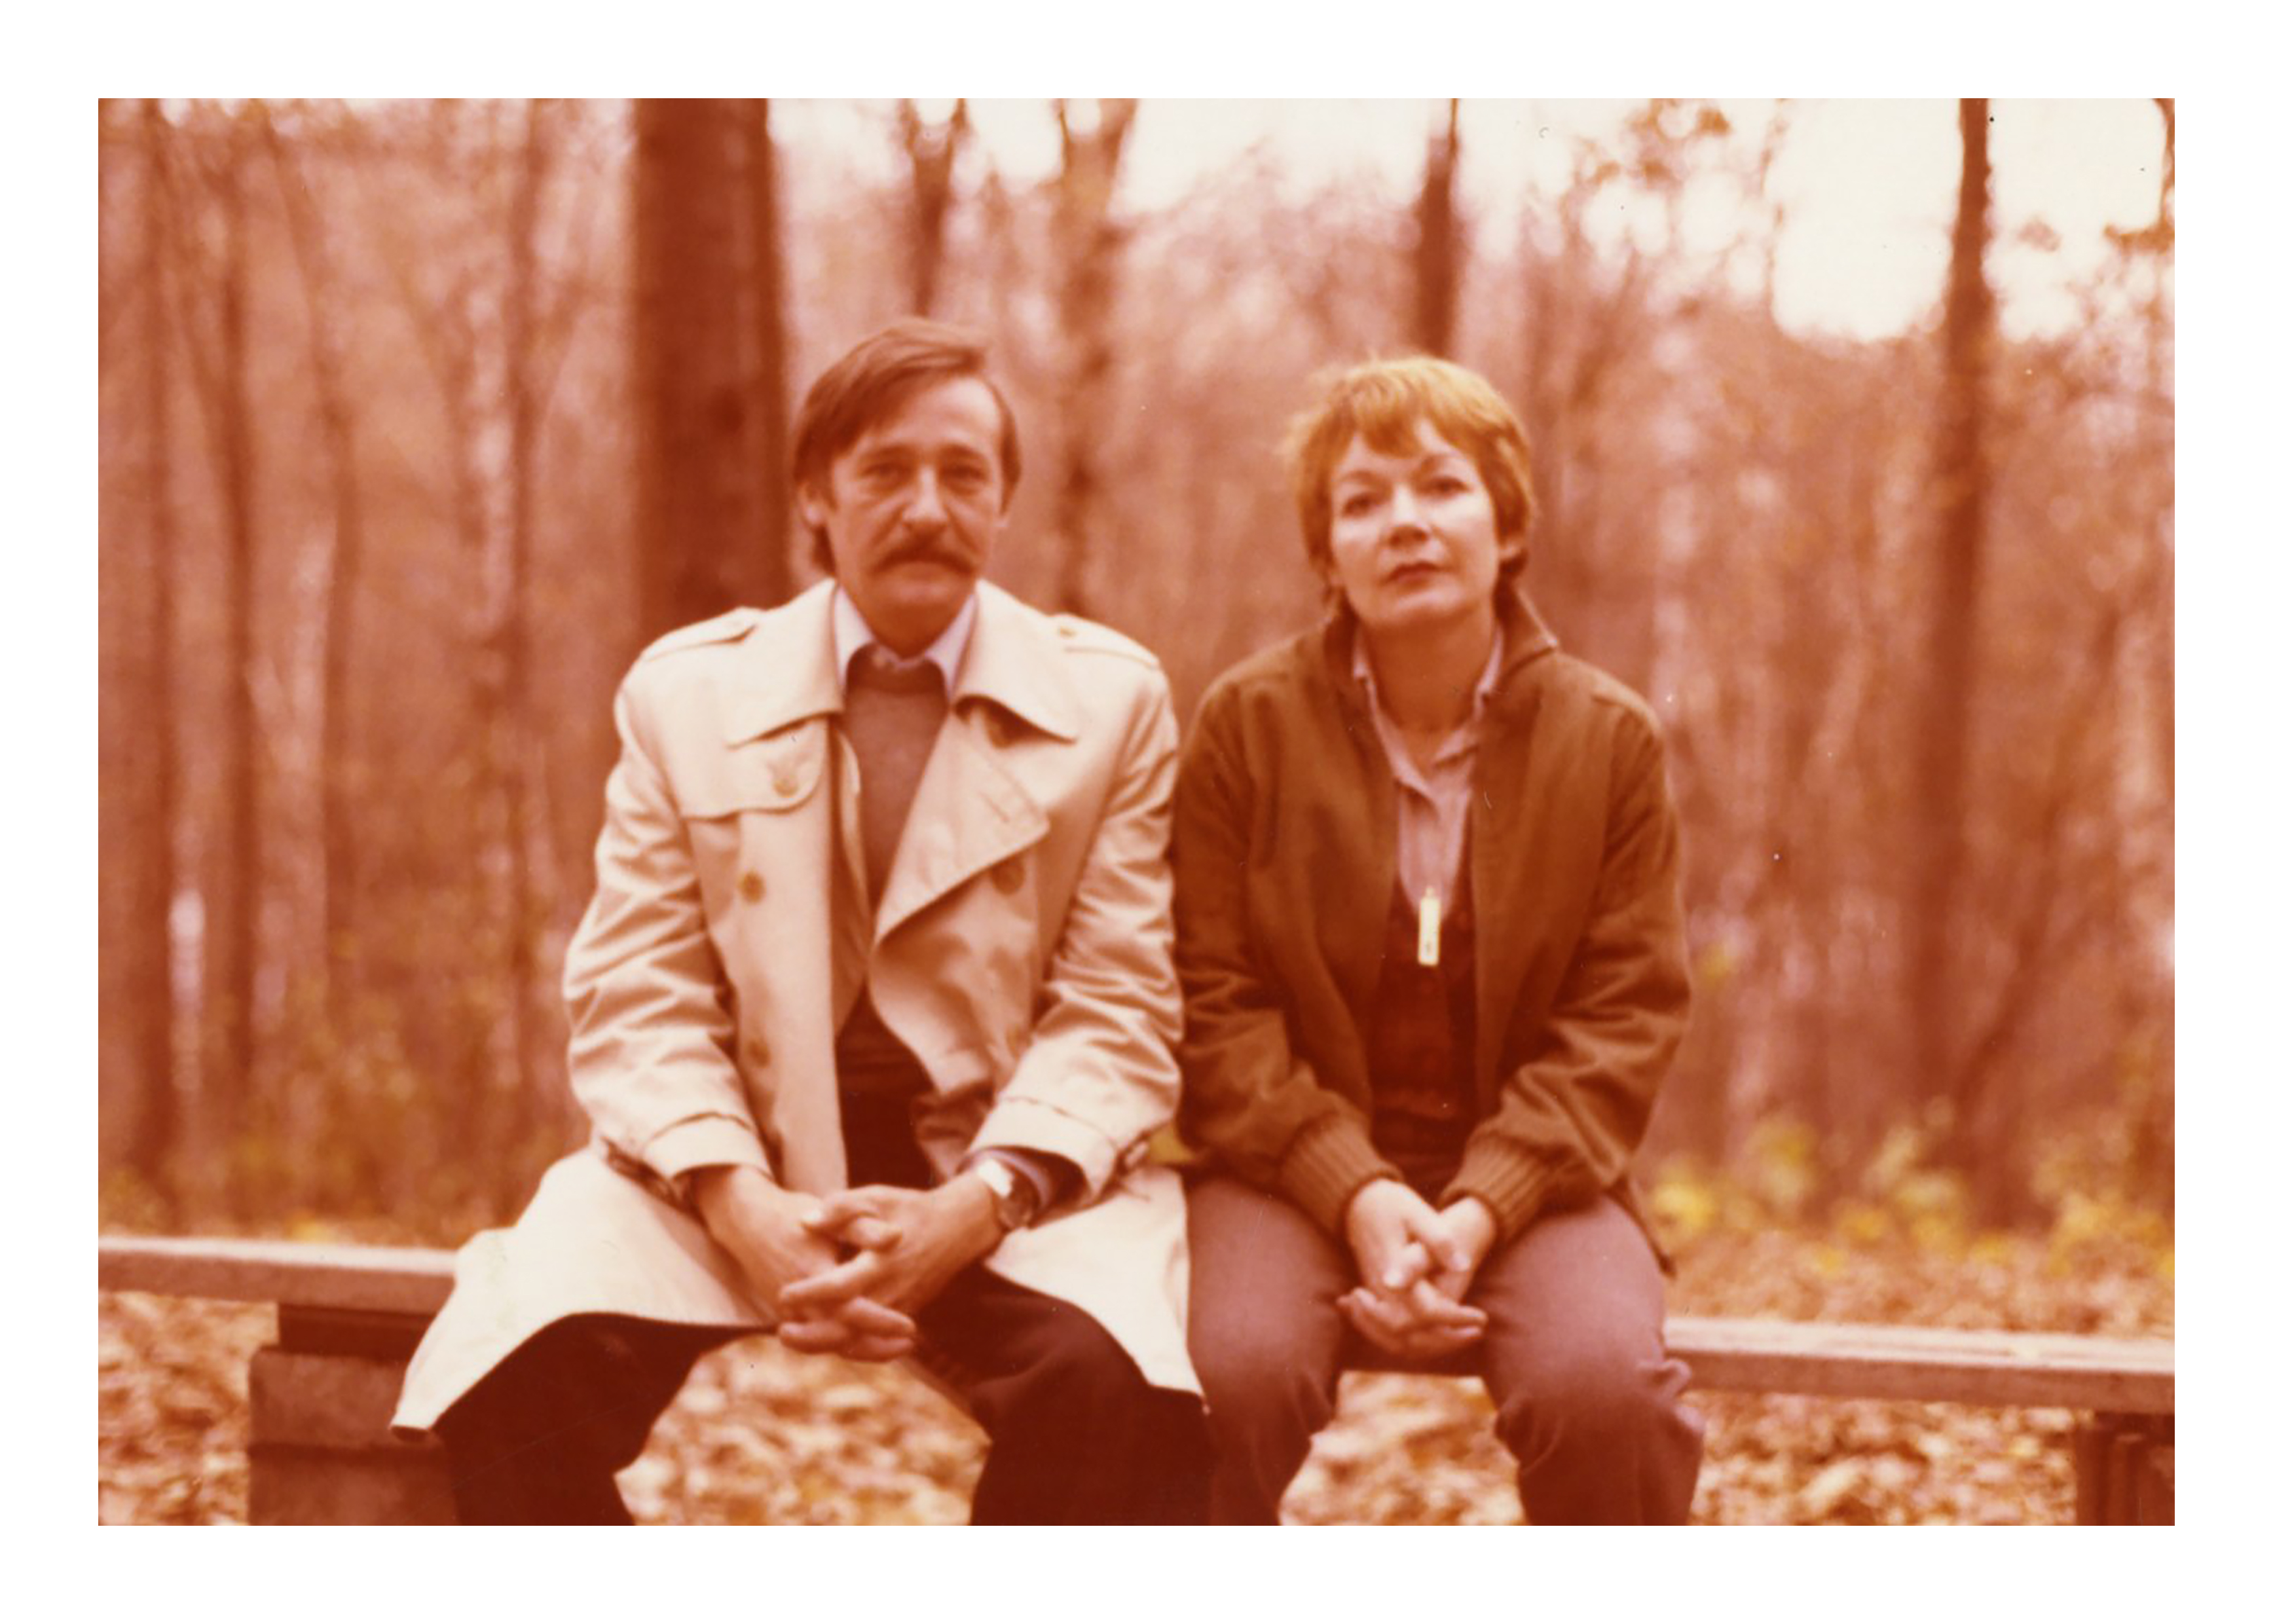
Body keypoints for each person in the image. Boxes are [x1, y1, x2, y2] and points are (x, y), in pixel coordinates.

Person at [392, 319, 1210, 1524]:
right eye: (885, 472)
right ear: (814, 498)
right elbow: (638, 991)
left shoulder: (1110, 702)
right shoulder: (688, 694)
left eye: (963, 474)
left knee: (1117, 1400)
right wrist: (740, 1204)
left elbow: (1119, 1006)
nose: (926, 508)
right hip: (729, 1162)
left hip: (996, 1172)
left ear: (1004, 502)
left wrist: (975, 1205)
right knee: (509, 1373)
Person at [1171, 355, 1705, 1524]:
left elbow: (1623, 1021)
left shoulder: (1608, 741)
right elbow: (1212, 1002)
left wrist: (1482, 1206)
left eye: (1442, 487)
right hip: (1284, 1172)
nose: (1405, 523)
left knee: (1605, 1395)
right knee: (1220, 1379)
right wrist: (1354, 1190)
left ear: (1506, 529)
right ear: (1328, 558)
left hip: (1538, 1183)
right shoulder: (1247, 727)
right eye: (1362, 502)